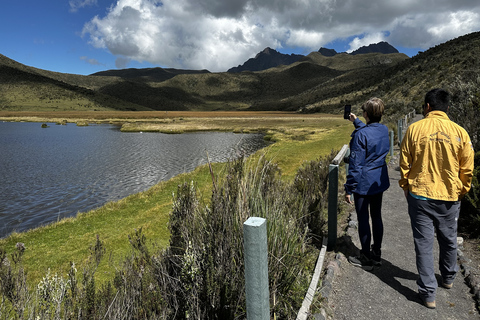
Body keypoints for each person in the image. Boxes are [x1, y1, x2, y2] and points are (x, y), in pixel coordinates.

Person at [399, 88, 474, 309]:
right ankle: (449, 278)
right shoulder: (461, 133)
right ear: (447, 108)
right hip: (450, 196)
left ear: (427, 107)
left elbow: (404, 162)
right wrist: (461, 189)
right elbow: (467, 168)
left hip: (419, 195)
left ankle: (428, 294)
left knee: (423, 244)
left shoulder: (414, 129)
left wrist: (406, 185)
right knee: (448, 238)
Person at [344, 98, 390, 271]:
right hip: (378, 181)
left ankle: (365, 257)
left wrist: (349, 188)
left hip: (363, 183)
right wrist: (355, 121)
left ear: (366, 114)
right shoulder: (383, 129)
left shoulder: (360, 135)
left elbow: (355, 166)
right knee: (376, 216)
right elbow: (369, 132)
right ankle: (376, 254)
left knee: (363, 218)